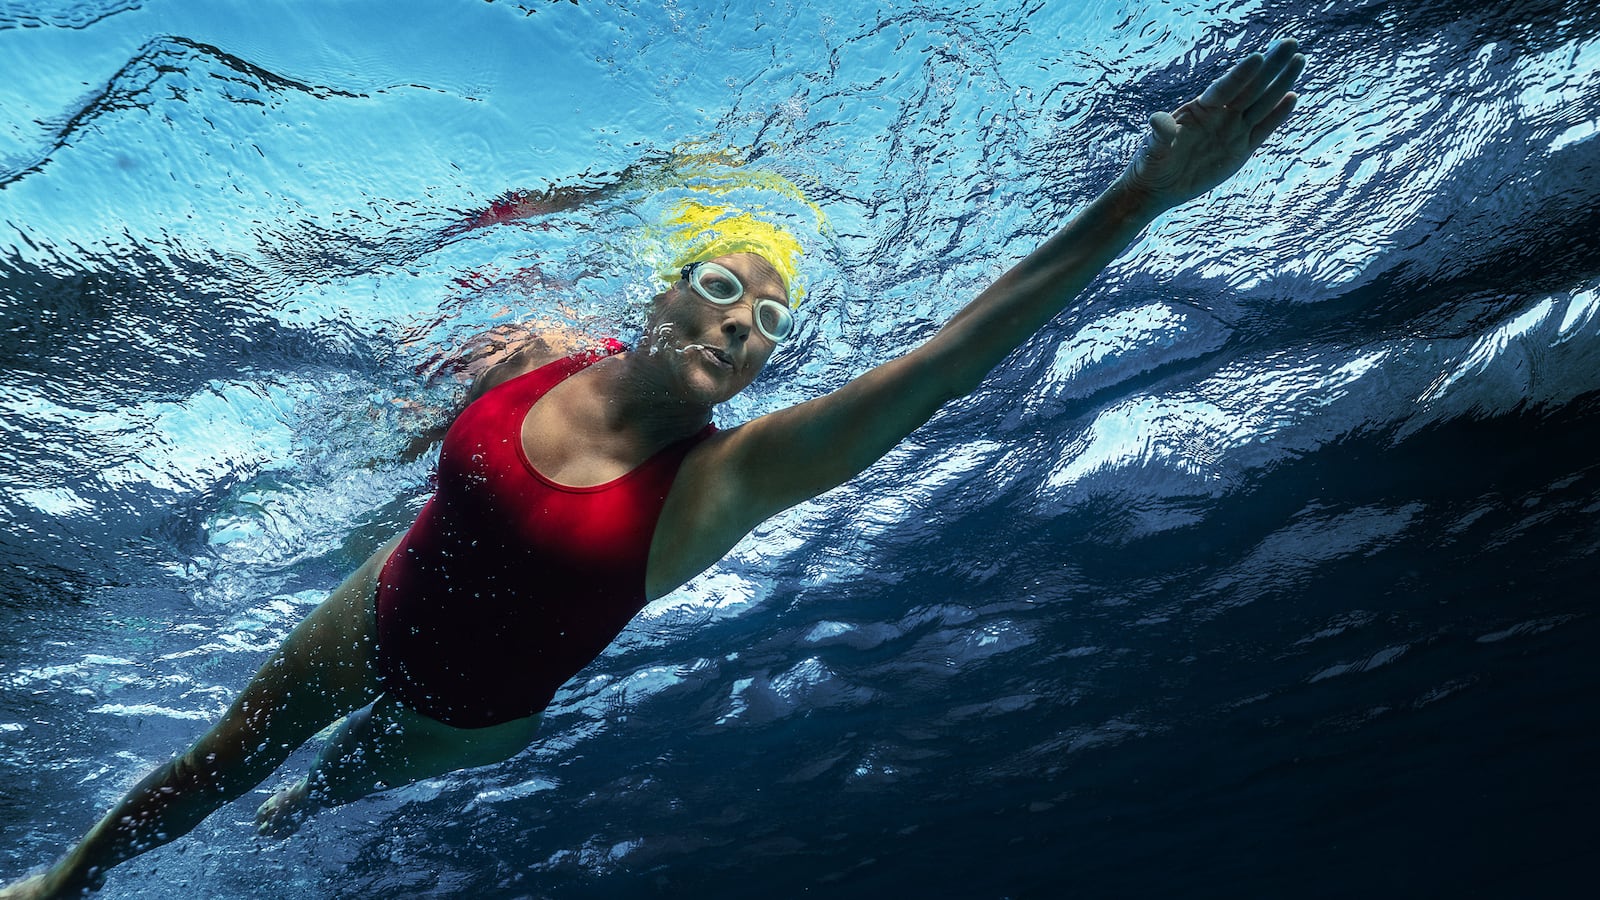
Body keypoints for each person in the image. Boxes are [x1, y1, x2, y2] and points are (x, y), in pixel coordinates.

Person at [2, 39, 1304, 898]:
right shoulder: (544, 350)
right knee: (215, 761)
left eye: (770, 323)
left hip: (466, 717)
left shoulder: (728, 481)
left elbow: (952, 359)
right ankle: (63, 886)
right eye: (727, 289)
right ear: (663, 291)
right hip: (374, 608)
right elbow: (439, 433)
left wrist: (1137, 200)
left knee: (302, 804)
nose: (745, 326)